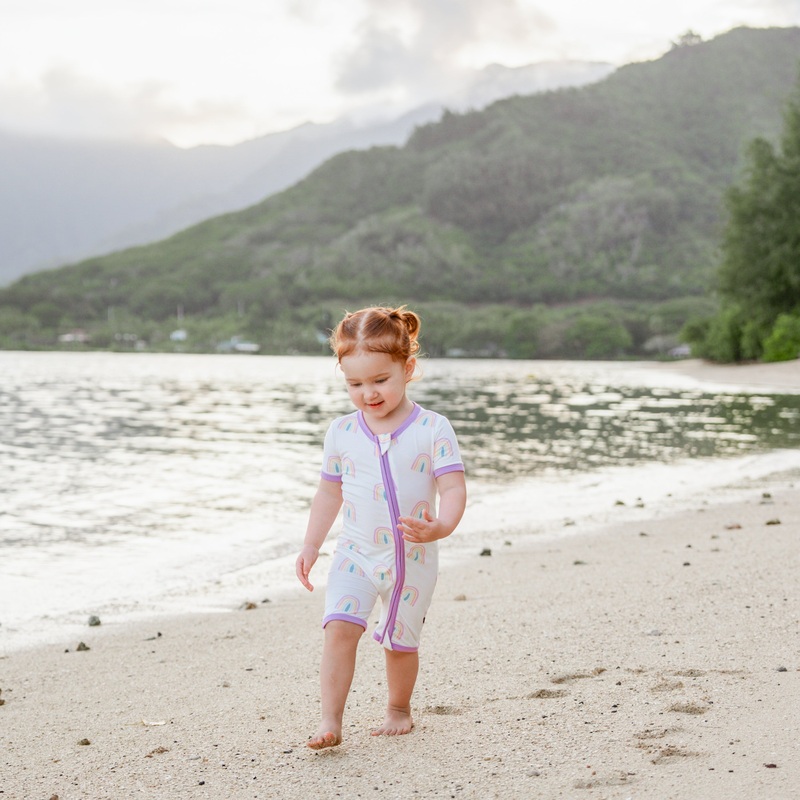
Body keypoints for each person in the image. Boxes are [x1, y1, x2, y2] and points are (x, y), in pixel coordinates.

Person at [295, 305, 467, 750]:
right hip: (354, 553)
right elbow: (329, 494)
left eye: (379, 380)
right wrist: (312, 545)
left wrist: (442, 526)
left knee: (399, 642)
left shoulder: (433, 428)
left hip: (411, 557)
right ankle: (330, 722)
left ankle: (398, 707)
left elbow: (452, 486)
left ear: (407, 369)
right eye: (355, 384)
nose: (368, 393)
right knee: (338, 630)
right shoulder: (341, 432)